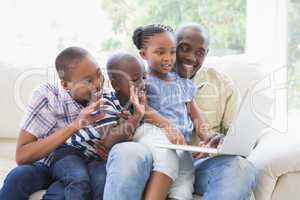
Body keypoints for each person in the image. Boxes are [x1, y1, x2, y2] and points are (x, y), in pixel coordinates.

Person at [0, 47, 152, 200]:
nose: (98, 84)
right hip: (51, 162)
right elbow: (22, 156)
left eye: (99, 75)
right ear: (66, 85)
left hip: (85, 167)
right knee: (18, 177)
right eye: (88, 81)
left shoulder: (106, 99)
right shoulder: (47, 95)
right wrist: (76, 124)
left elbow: (111, 138)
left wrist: (120, 127)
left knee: (82, 185)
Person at [174, 23, 257, 200]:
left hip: (199, 167)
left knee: (241, 167)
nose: (191, 57)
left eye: (199, 52)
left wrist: (220, 144)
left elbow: (238, 140)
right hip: (159, 165)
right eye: (184, 48)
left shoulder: (222, 84)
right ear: (171, 45)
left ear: (206, 54)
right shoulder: (145, 78)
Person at [132, 24, 210, 200]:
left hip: (180, 140)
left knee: (185, 178)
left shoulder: (183, 83)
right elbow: (143, 109)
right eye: (160, 53)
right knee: (168, 160)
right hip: (153, 131)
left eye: (172, 52)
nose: (168, 58)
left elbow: (196, 114)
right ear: (144, 54)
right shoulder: (144, 80)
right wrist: (167, 126)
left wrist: (207, 138)